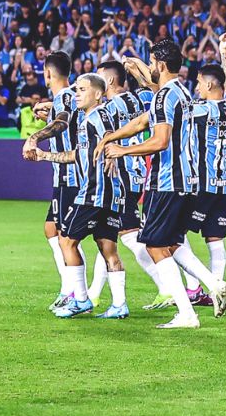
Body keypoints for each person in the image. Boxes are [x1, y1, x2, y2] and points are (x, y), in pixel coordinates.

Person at [98, 39, 226, 328]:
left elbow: (159, 140)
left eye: (151, 62)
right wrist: (112, 137)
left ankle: (186, 313)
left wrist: (123, 149)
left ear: (159, 64)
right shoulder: (179, 92)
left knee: (155, 246)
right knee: (172, 243)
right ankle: (213, 283)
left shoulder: (163, 96)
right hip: (189, 181)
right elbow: (143, 122)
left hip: (169, 181)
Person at [24, 73, 126, 319]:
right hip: (111, 193)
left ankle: (80, 299)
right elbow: (77, 155)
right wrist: (45, 156)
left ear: (98, 94)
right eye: (77, 89)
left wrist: (113, 152)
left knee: (67, 240)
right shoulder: (87, 121)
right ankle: (119, 305)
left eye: (82, 90)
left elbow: (111, 135)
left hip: (93, 192)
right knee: (107, 248)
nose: (77, 94)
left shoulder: (97, 117)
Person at [84, 60, 162, 310]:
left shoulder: (110, 107)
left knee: (128, 235)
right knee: (106, 235)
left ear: (108, 81)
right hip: (139, 170)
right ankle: (92, 294)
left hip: (122, 171)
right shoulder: (139, 99)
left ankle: (168, 286)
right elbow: (151, 88)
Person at [20, 52, 82, 312]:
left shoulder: (66, 96)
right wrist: (48, 113)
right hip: (62, 176)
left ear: (47, 73)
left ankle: (76, 293)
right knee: (51, 230)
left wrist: (35, 137)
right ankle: (69, 288)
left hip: (72, 176)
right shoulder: (63, 99)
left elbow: (62, 123)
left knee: (68, 238)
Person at [184, 35, 226, 303]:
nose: (196, 88)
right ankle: (214, 292)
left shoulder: (199, 110)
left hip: (201, 184)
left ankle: (194, 289)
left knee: (174, 235)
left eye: (198, 84)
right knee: (215, 240)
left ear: (207, 84)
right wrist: (223, 52)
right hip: (223, 184)